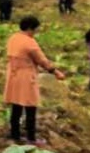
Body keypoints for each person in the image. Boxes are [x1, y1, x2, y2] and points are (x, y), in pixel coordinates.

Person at [5, 16, 66, 145]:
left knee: (16, 106)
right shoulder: (30, 42)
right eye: (36, 29)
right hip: (26, 77)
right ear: (30, 28)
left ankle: (14, 135)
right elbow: (42, 61)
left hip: (13, 75)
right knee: (30, 107)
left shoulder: (13, 38)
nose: (36, 32)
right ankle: (31, 138)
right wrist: (56, 72)